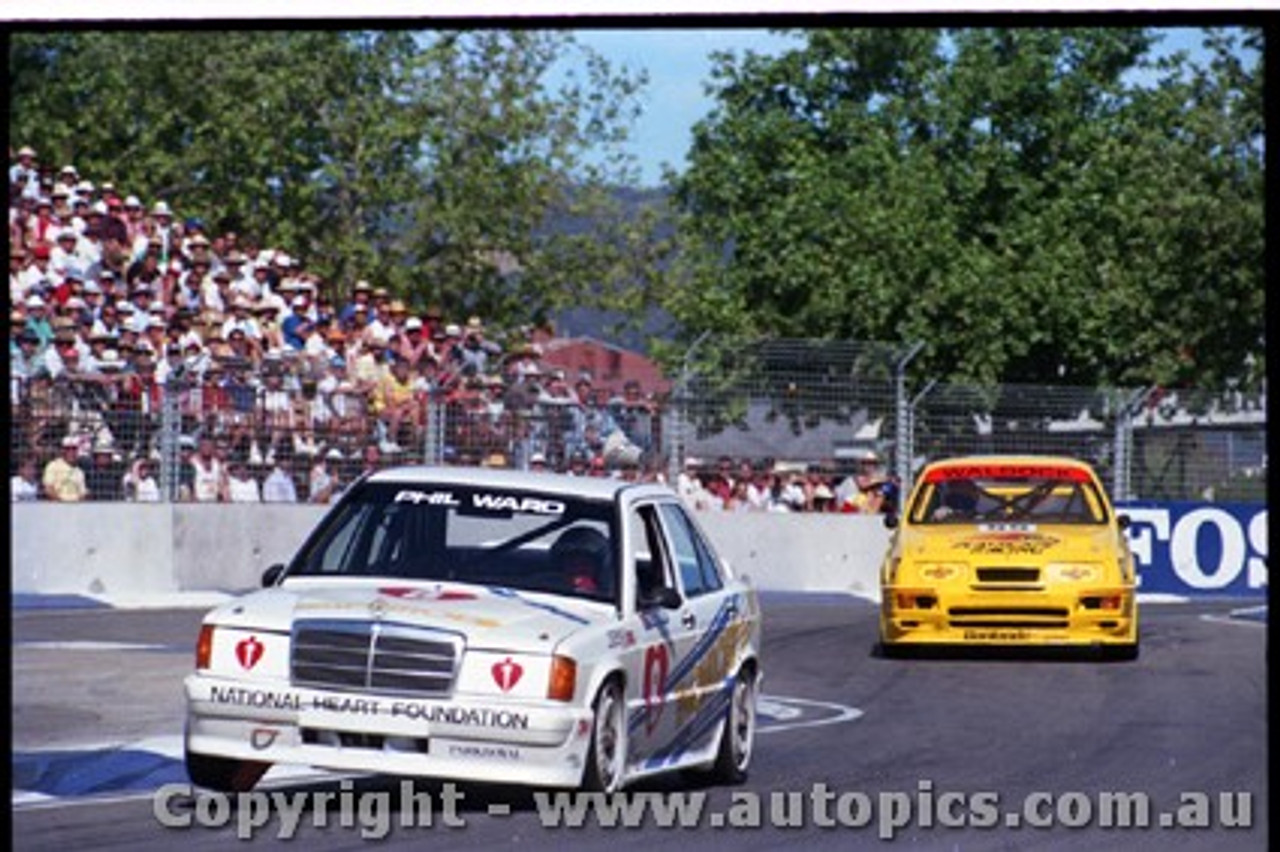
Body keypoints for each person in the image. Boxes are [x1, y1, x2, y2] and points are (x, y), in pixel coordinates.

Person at [550, 526, 611, 597]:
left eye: (585, 564)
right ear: (561, 564)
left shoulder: (609, 594)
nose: (578, 569)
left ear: (598, 566)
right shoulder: (545, 584)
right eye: (572, 564)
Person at [43, 435, 89, 501]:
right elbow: (48, 489)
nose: (71, 452)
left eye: (74, 449)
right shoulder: (53, 466)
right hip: (56, 506)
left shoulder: (79, 472)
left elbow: (82, 494)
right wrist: (62, 504)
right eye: (68, 449)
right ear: (63, 450)